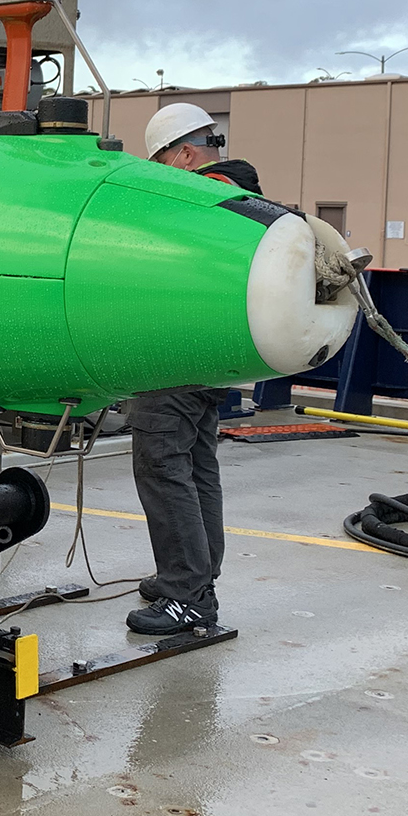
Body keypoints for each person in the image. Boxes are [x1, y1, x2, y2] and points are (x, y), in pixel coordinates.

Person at [122, 103, 261, 635]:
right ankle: (197, 575)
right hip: (213, 358)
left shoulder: (189, 198)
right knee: (198, 464)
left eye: (159, 160)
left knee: (162, 465)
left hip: (171, 355)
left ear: (181, 154)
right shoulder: (241, 196)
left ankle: (186, 593)